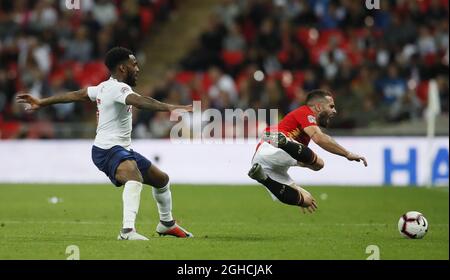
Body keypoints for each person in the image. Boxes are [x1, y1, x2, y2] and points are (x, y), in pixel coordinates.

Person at [17, 47, 194, 240]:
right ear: (122, 68)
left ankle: (166, 224)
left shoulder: (103, 87)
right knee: (134, 178)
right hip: (108, 149)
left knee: (161, 180)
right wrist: (170, 107)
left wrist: (42, 102)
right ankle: (127, 232)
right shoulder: (119, 88)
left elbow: (77, 94)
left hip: (120, 149)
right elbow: (139, 101)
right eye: (133, 64)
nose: (137, 68)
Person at [248, 89, 368, 213]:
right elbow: (319, 138)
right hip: (272, 143)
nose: (334, 111)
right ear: (319, 106)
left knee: (306, 200)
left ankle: (263, 178)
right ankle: (283, 143)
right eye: (331, 106)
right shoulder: (306, 112)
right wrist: (347, 154)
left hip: (262, 160)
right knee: (318, 164)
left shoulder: (304, 123)